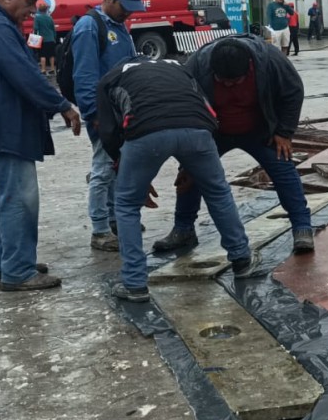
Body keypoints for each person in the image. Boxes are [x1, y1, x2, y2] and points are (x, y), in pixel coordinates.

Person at [0, 0, 82, 292]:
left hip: (0, 121)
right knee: (19, 198)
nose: (32, 9)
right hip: (6, 124)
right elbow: (25, 75)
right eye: (29, 2)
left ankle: (5, 263)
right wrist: (62, 105)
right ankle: (18, 270)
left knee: (5, 196)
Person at [97, 56, 257, 301]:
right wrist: (196, 160)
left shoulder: (112, 77)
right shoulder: (177, 67)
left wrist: (125, 167)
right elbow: (206, 107)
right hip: (197, 130)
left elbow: (107, 130)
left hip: (146, 133)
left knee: (127, 204)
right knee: (217, 192)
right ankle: (242, 260)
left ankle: (134, 284)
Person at [152, 35, 314, 255]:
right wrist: (187, 158)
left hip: (259, 130)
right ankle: (183, 228)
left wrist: (284, 132)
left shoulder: (270, 60)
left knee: (283, 168)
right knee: (190, 174)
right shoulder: (198, 65)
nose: (228, 85)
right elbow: (183, 106)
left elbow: (293, 92)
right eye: (222, 81)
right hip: (214, 132)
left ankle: (302, 227)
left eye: (234, 81)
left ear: (248, 67)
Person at [72, 0, 142, 253]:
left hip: (121, 111)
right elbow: (85, 75)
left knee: (118, 167)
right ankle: (100, 230)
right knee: (103, 169)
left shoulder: (121, 27)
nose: (128, 12)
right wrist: (93, 114)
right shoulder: (90, 27)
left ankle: (115, 220)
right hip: (103, 113)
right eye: (124, 6)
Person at [33, 1, 58, 75]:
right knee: (51, 55)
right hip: (51, 38)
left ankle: (43, 70)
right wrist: (54, 37)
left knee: (42, 55)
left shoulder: (37, 18)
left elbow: (36, 28)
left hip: (42, 39)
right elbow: (53, 29)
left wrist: (35, 36)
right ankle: (53, 69)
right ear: (46, 10)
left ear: (39, 10)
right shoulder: (50, 18)